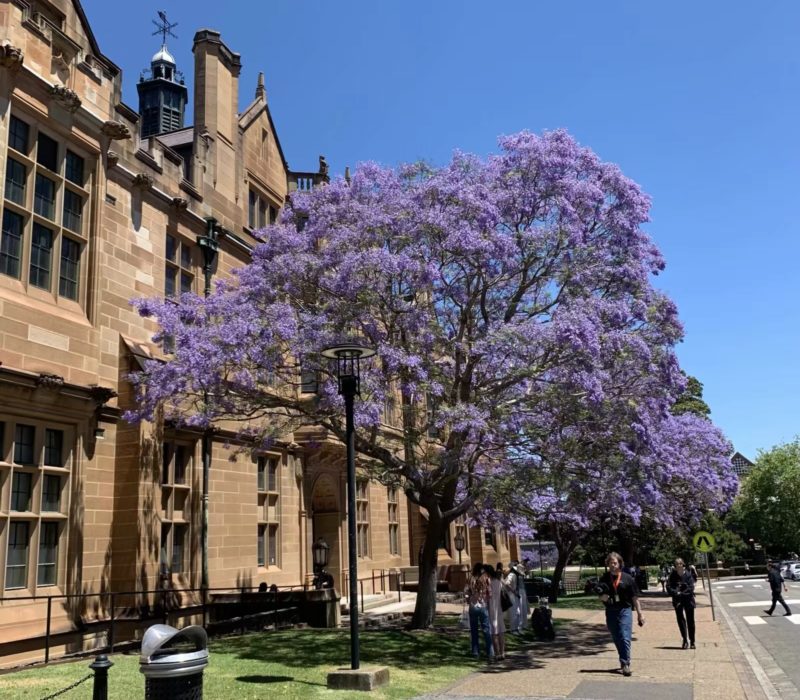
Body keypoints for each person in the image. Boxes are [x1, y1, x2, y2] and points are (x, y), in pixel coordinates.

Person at [596, 552, 645, 677]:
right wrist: (603, 597)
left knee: (625, 636)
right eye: (611, 563)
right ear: (608, 564)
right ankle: (623, 658)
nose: (613, 565)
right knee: (616, 637)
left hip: (625, 610)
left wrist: (640, 614)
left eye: (615, 563)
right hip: (611, 610)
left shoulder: (627, 578)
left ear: (620, 563)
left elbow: (635, 598)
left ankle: (625, 663)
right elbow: (600, 595)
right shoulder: (604, 578)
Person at [464, 562, 494, 661]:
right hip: (483, 605)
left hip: (473, 606)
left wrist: (470, 599)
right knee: (486, 630)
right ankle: (490, 652)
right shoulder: (486, 579)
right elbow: (490, 593)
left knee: (474, 630)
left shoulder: (470, 579)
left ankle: (475, 652)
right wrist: (484, 599)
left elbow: (466, 592)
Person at [667, 558, 696, 649]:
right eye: (677, 564)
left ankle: (692, 641)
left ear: (683, 564)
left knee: (690, 621)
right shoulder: (673, 575)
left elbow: (691, 588)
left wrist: (682, 593)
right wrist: (676, 592)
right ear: (675, 566)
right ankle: (685, 640)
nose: (679, 565)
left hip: (688, 600)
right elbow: (668, 587)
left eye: (680, 563)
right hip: (677, 601)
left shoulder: (688, 575)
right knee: (681, 620)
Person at [485, 564, 506, 660]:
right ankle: (502, 652)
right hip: (499, 607)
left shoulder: (488, 582)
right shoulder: (498, 580)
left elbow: (488, 596)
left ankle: (497, 653)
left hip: (492, 607)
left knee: (494, 631)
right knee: (501, 631)